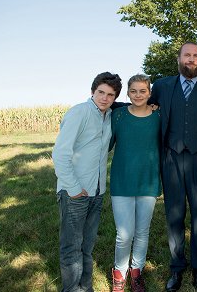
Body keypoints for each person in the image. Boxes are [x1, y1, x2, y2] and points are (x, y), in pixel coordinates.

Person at [148, 42, 197, 292]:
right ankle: (177, 268)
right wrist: (110, 107)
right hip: (171, 158)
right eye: (187, 55)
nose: (191, 59)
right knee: (174, 215)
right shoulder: (162, 85)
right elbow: (143, 108)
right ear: (178, 59)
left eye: (196, 55)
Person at [52, 72, 122, 292]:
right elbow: (60, 154)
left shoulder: (109, 115)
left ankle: (86, 287)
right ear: (93, 91)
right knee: (71, 247)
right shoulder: (79, 113)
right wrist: (73, 189)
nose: (104, 98)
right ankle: (71, 289)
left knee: (87, 247)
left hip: (97, 192)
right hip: (75, 193)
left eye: (110, 95)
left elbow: (132, 103)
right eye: (101, 92)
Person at [109, 74, 162, 292]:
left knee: (142, 231)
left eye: (143, 91)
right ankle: (119, 273)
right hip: (122, 180)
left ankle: (136, 271)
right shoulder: (118, 116)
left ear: (149, 93)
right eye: (133, 91)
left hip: (148, 180)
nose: (138, 95)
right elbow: (105, 144)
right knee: (124, 233)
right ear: (127, 93)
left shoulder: (159, 116)